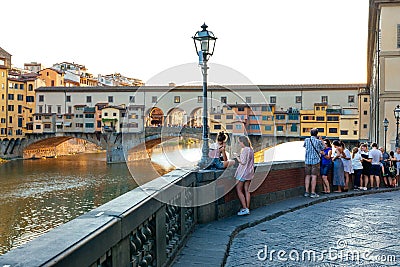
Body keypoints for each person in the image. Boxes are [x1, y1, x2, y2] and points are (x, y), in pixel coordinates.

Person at [235, 135, 254, 216]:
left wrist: (236, 157)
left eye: (240, 142)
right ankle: (247, 208)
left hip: (243, 173)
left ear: (243, 142)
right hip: (249, 173)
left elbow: (242, 162)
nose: (240, 144)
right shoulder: (251, 149)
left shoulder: (245, 150)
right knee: (247, 190)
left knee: (239, 189)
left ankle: (244, 208)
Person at [303, 128, 324, 198]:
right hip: (315, 161)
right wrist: (321, 140)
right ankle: (312, 192)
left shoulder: (306, 140)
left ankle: (306, 192)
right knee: (314, 176)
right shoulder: (318, 141)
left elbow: (305, 146)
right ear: (317, 134)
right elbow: (323, 148)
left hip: (307, 161)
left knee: (307, 176)